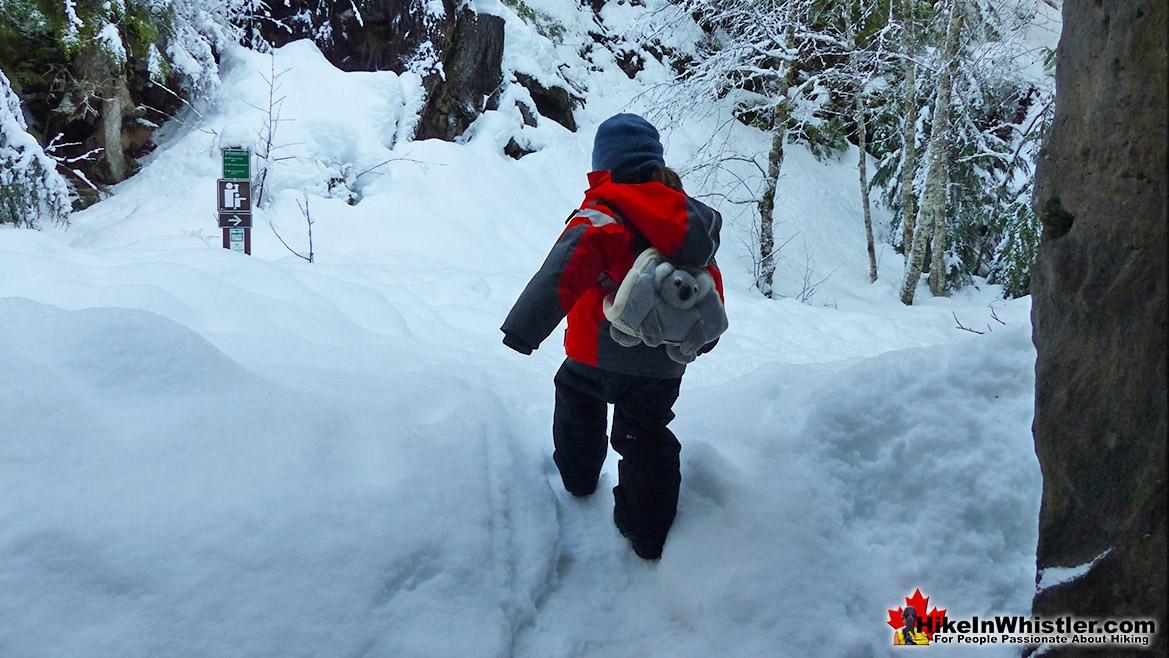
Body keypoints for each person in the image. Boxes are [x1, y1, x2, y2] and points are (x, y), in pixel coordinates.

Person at [500, 113, 724, 560]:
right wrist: (701, 339)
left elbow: (563, 271)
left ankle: (579, 479)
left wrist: (524, 330)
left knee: (576, 398)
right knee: (645, 433)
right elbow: (708, 288)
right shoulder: (688, 220)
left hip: (594, 350)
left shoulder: (604, 209)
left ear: (605, 164)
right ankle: (646, 533)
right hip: (663, 360)